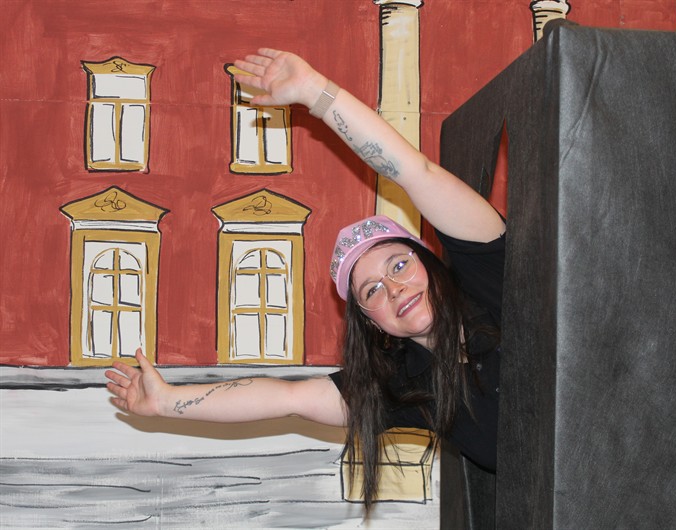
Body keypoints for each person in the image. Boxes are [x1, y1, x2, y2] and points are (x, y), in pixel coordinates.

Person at [105, 48, 506, 510]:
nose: (395, 289)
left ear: (430, 262)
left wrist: (315, 92)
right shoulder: (404, 386)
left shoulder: (489, 276)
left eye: (399, 265)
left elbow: (416, 172)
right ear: (371, 321)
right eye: (372, 291)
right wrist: (166, 402)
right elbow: (288, 397)